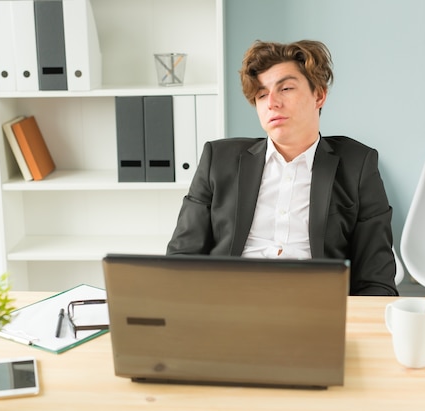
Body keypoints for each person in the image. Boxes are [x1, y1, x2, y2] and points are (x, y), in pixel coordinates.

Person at [166, 39, 398, 296]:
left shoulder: (358, 164)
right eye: (262, 94)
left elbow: (376, 277)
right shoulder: (218, 159)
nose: (271, 102)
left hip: (314, 305)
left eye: (285, 88)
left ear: (319, 95)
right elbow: (181, 259)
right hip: (230, 302)